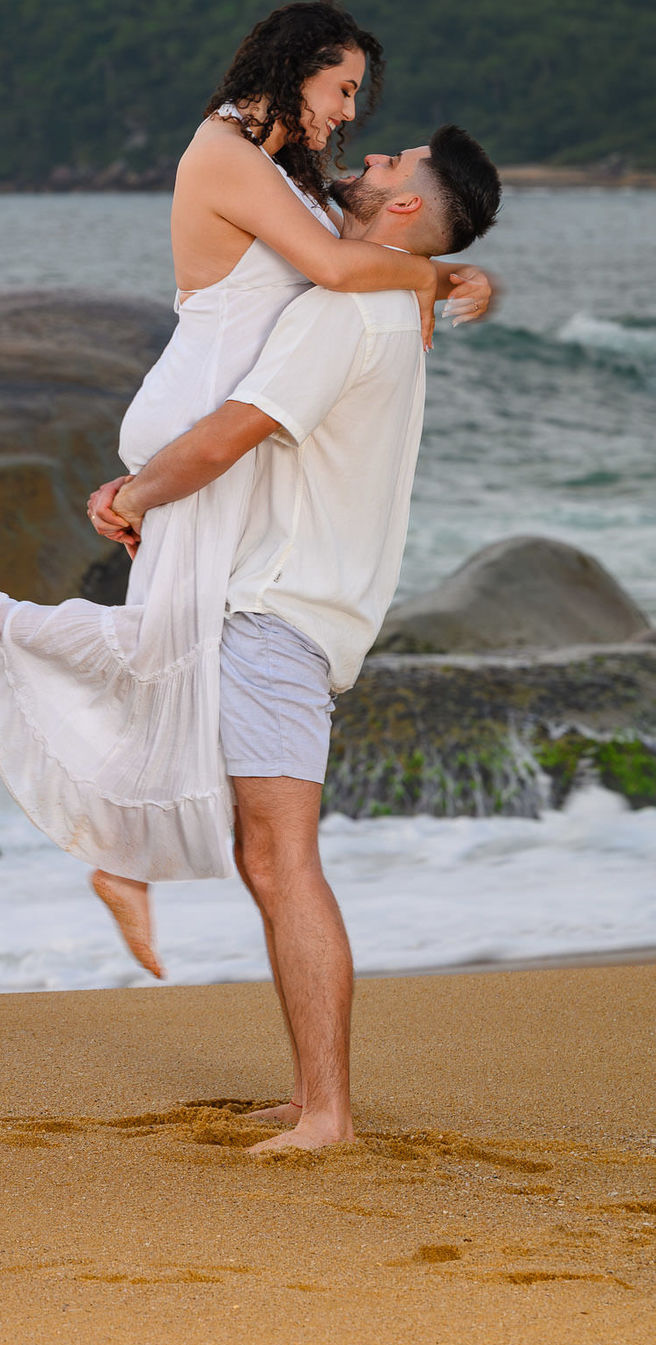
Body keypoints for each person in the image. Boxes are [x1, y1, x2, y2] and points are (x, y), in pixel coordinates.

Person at [0, 0, 492, 967]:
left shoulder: (287, 170)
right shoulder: (221, 151)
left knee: (186, 649)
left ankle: (126, 862)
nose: (348, 114)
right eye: (341, 89)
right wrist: (435, 279)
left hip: (221, 423)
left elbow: (381, 233)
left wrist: (457, 276)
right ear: (297, 69)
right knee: (155, 642)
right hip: (203, 419)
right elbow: (339, 263)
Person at [83, 128, 501, 1150]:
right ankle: (312, 1088)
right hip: (300, 607)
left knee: (282, 859)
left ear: (403, 210)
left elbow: (234, 432)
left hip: (277, 612)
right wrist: (453, 280)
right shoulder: (393, 300)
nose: (367, 161)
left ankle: (327, 1112)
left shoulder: (349, 307)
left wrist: (129, 494)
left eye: (391, 164)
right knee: (263, 850)